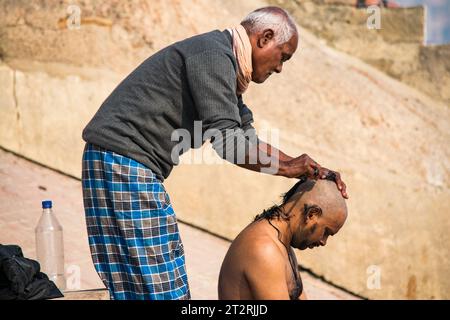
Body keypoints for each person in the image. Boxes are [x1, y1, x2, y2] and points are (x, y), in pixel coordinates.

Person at [81, 6, 348, 300]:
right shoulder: (213, 55)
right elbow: (229, 144)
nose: (280, 67)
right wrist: (290, 168)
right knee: (160, 284)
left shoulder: (225, 66)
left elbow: (246, 137)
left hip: (121, 160)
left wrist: (306, 167)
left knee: (141, 279)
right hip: (123, 159)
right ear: (265, 38)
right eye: (282, 56)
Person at [218, 178, 348, 300]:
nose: (323, 242)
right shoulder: (264, 249)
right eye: (326, 232)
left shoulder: (282, 243)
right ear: (311, 215)